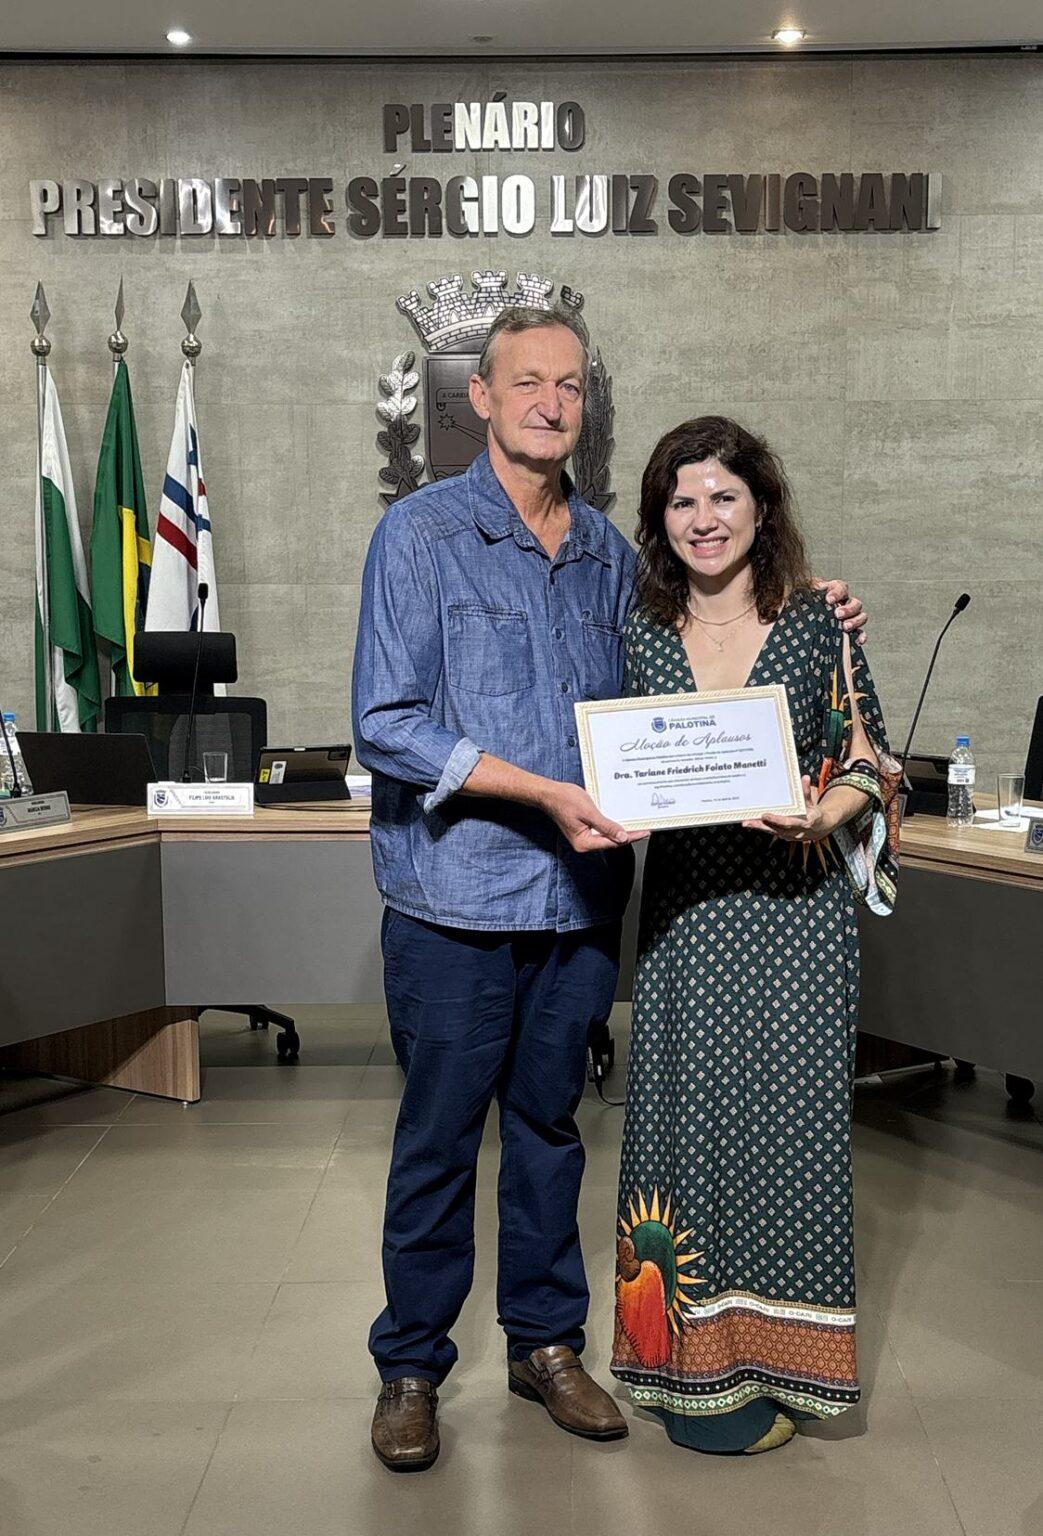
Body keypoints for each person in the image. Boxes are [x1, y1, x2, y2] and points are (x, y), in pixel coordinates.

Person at [352, 309, 867, 1473]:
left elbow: (705, 651)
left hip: (579, 908)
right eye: (524, 381)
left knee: (549, 1134)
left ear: (586, 406)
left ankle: (545, 1347)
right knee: (437, 1143)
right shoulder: (419, 536)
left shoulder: (610, 559)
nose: (547, 401)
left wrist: (820, 604)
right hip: (452, 900)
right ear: (477, 397)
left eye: (568, 385)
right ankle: (410, 1367)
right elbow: (385, 725)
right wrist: (539, 791)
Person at [610, 416, 900, 1456]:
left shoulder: (820, 623)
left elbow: (872, 767)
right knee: (683, 1137)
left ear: (760, 508)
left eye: (722, 497)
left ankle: (785, 1368)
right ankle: (675, 1361)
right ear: (659, 521)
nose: (702, 518)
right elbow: (619, 756)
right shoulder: (637, 629)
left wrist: (826, 813)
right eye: (681, 501)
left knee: (789, 1143)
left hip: (795, 920)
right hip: (685, 919)